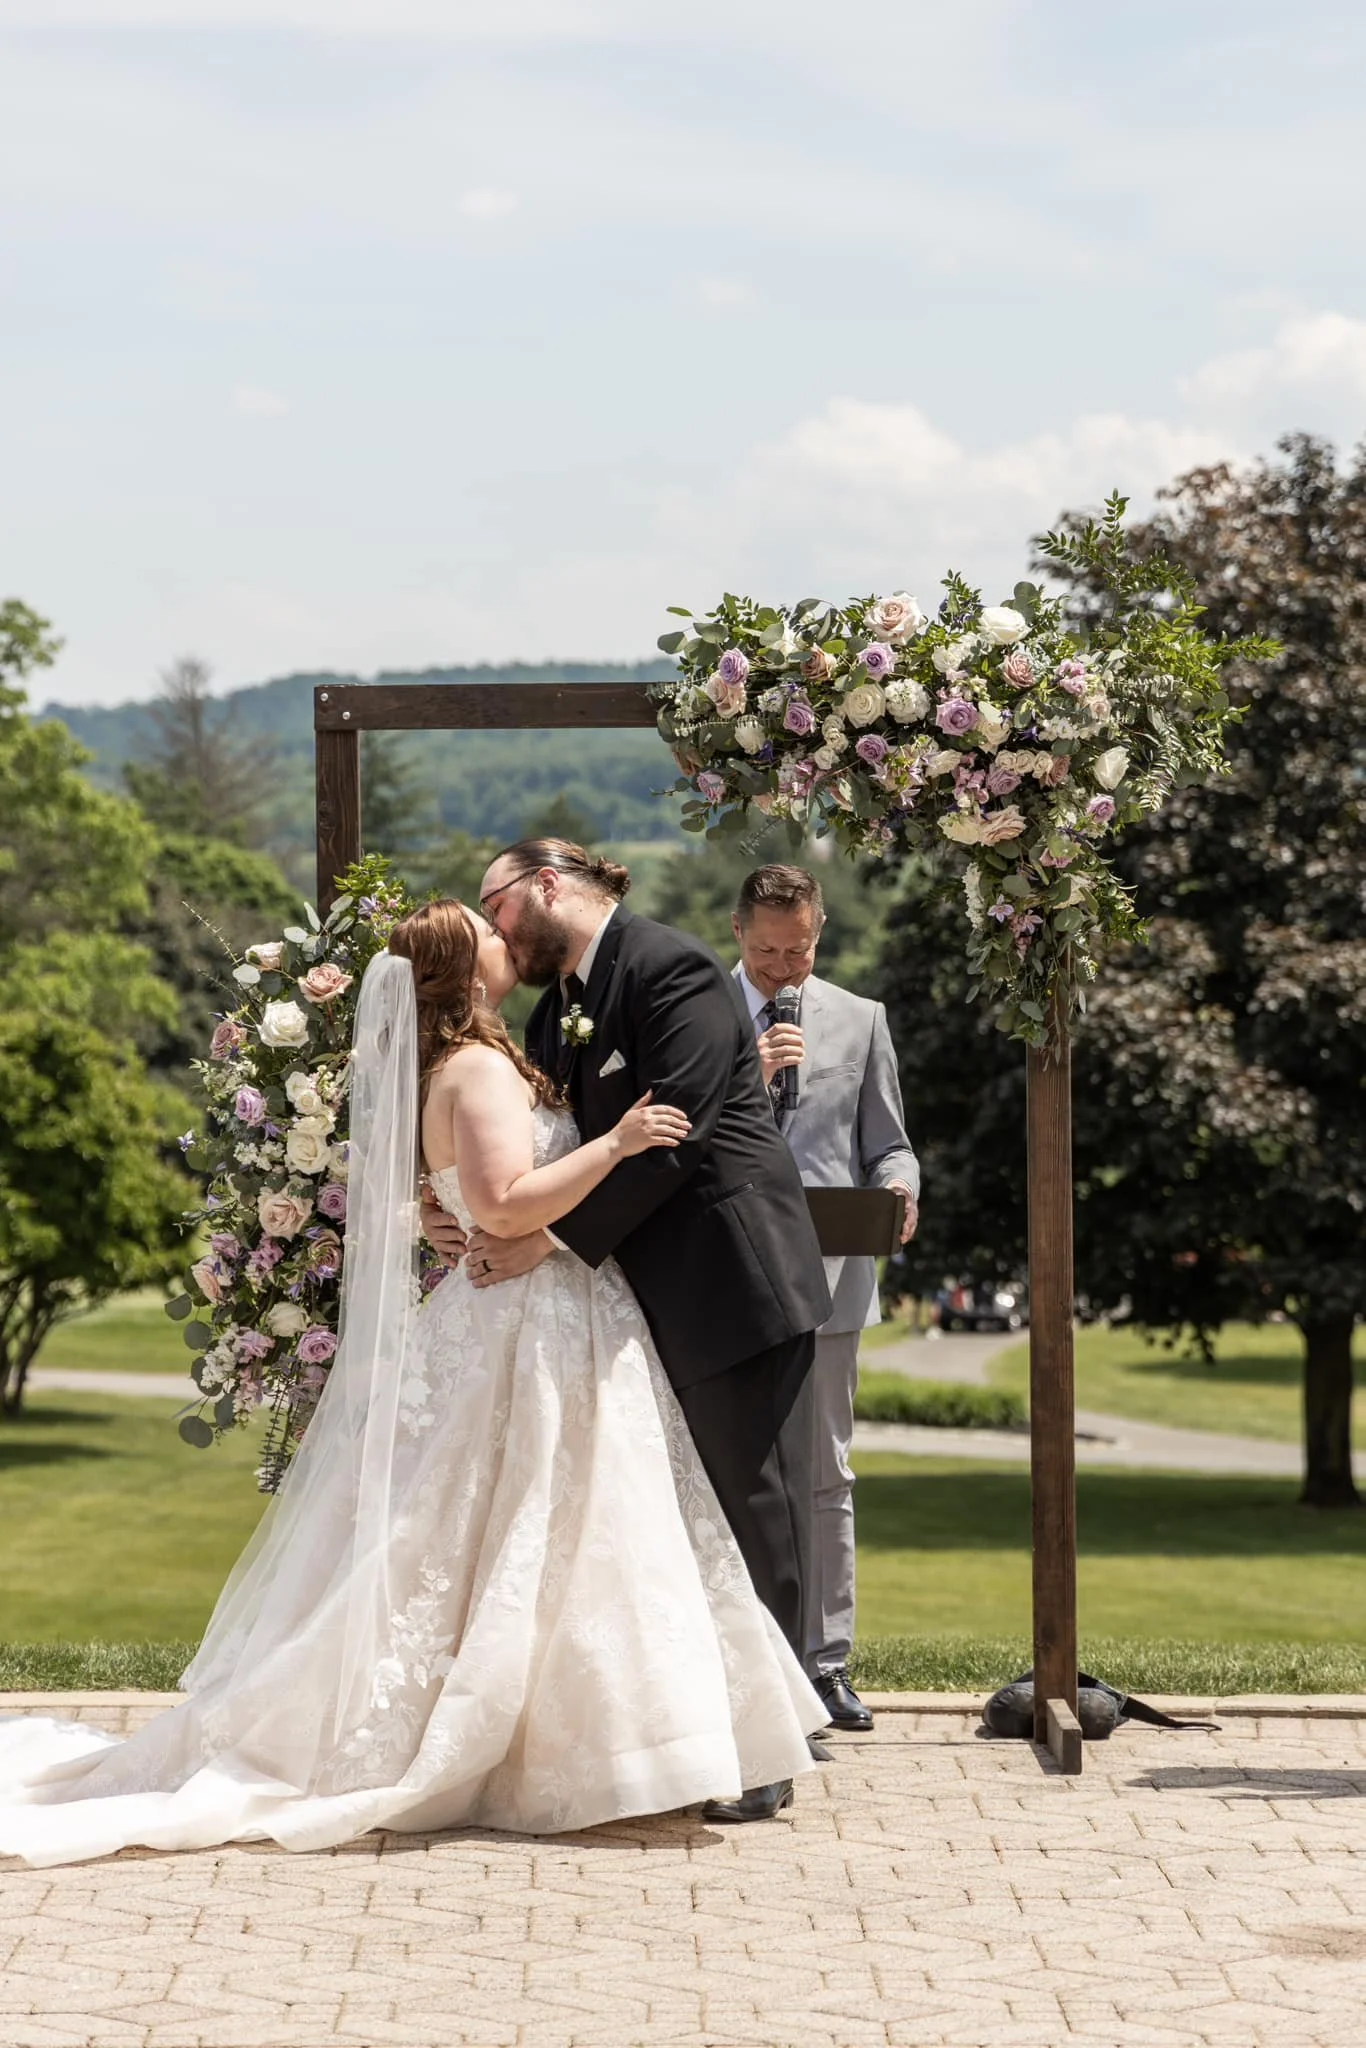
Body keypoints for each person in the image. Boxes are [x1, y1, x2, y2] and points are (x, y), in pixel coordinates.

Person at [0, 903, 826, 1867]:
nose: (505, 938)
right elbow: (503, 1203)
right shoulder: (475, 1070)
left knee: (551, 1531)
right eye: (488, 933)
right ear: (468, 975)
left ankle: (617, 1738)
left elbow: (453, 1195)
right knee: (531, 1526)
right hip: (529, 1317)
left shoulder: (477, 1058)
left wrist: (452, 1211)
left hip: (544, 1308)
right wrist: (620, 1140)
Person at [422, 838, 833, 1823]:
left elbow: (674, 1139)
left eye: (498, 901)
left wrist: (548, 1240)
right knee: (683, 1515)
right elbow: (525, 1146)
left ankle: (769, 1751)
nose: (496, 923)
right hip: (643, 1295)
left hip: (733, 1280)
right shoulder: (554, 1003)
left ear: (548, 886)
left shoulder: (670, 967)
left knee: (748, 1506)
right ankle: (708, 1723)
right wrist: (452, 1213)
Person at [732, 864, 919, 1735]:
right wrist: (745, 1067)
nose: (782, 969)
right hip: (724, 1275)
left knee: (824, 1477)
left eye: (798, 950)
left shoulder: (863, 1019)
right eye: (767, 952)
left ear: (820, 931)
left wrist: (902, 1188)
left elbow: (889, 1144)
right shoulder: (698, 1014)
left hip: (835, 1276)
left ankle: (826, 1666)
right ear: (738, 935)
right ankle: (740, 1663)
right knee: (728, 1476)